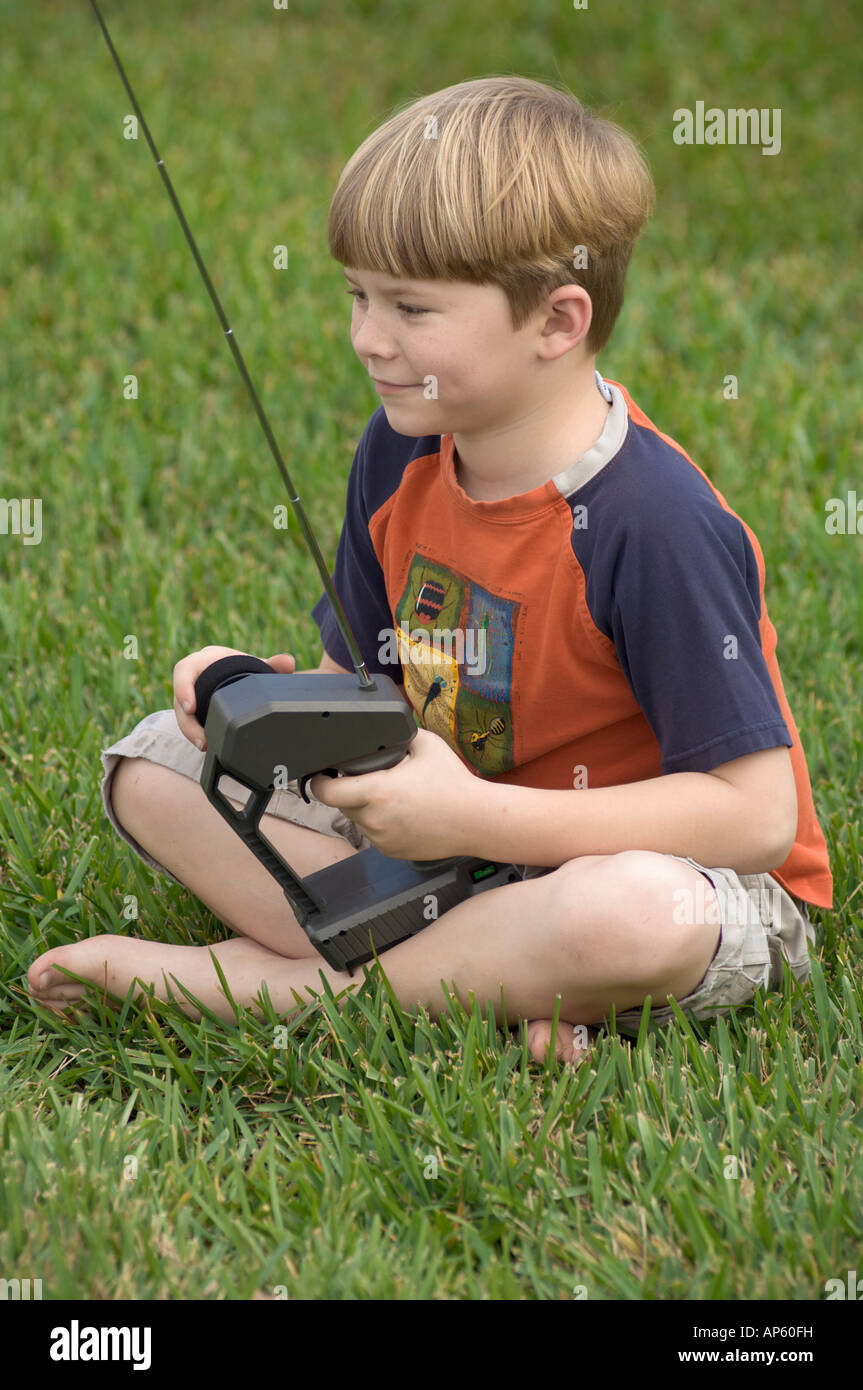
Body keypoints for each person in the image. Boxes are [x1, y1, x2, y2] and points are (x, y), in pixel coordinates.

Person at [28, 76, 832, 1067]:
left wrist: (478, 814)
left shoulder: (649, 524)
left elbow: (754, 819)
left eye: (411, 307)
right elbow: (372, 696)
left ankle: (272, 989)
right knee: (150, 767)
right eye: (357, 296)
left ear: (555, 322)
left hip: (679, 879)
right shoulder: (402, 446)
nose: (369, 337)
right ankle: (498, 986)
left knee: (625, 913)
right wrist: (257, 703)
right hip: (451, 852)